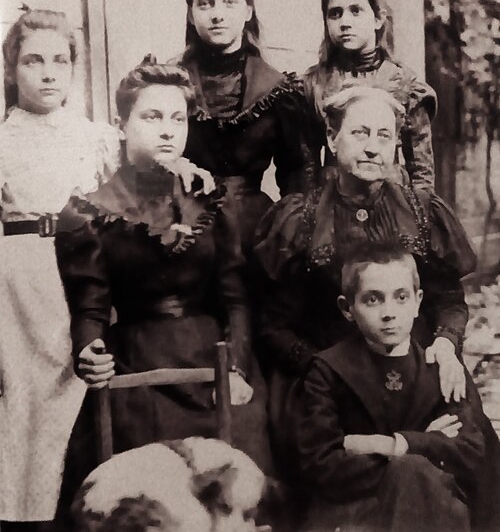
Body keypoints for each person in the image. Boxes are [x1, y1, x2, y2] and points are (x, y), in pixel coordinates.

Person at [254, 84, 500, 531]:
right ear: (332, 139)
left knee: (464, 448)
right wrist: (326, 372)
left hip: (415, 365)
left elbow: (447, 300)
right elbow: (274, 326)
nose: (372, 146)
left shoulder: (421, 210)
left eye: (385, 136)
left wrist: (446, 344)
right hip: (332, 376)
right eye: (360, 133)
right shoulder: (303, 218)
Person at [54, 59, 271, 529]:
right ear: (122, 125)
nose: (168, 131)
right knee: (144, 492)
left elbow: (234, 296)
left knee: (241, 468)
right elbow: (90, 307)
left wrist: (234, 367)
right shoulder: (88, 212)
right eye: (151, 117)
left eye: (178, 118)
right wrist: (88, 349)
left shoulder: (210, 201)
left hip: (215, 360)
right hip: (138, 362)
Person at [0, 6, 120, 531]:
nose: (48, 72)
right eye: (33, 61)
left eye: (59, 60)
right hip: (18, 283)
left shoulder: (96, 139)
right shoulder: (3, 141)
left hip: (81, 277)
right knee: (20, 410)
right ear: (10, 70)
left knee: (79, 400)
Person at [296, 242, 484, 532]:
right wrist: (424, 448)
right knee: (411, 470)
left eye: (401, 297)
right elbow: (320, 464)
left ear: (418, 301)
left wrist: (394, 444)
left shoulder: (439, 368)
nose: (389, 313)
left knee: (414, 473)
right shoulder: (328, 370)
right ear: (347, 308)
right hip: (355, 513)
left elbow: (469, 451)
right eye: (373, 299)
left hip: (431, 510)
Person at [174, 0, 319, 261]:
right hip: (184, 231)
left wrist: (289, 237)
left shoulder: (278, 91)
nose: (217, 14)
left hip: (252, 235)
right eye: (205, 3)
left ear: (248, 10)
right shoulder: (171, 84)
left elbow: (298, 178)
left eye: (230, 2)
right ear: (190, 13)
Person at [303, 0, 436, 189]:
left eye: (356, 11)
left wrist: (419, 219)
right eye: (335, 14)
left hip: (390, 204)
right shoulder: (313, 84)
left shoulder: (404, 84)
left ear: (377, 19)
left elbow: (421, 171)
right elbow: (305, 170)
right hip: (332, 205)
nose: (345, 22)